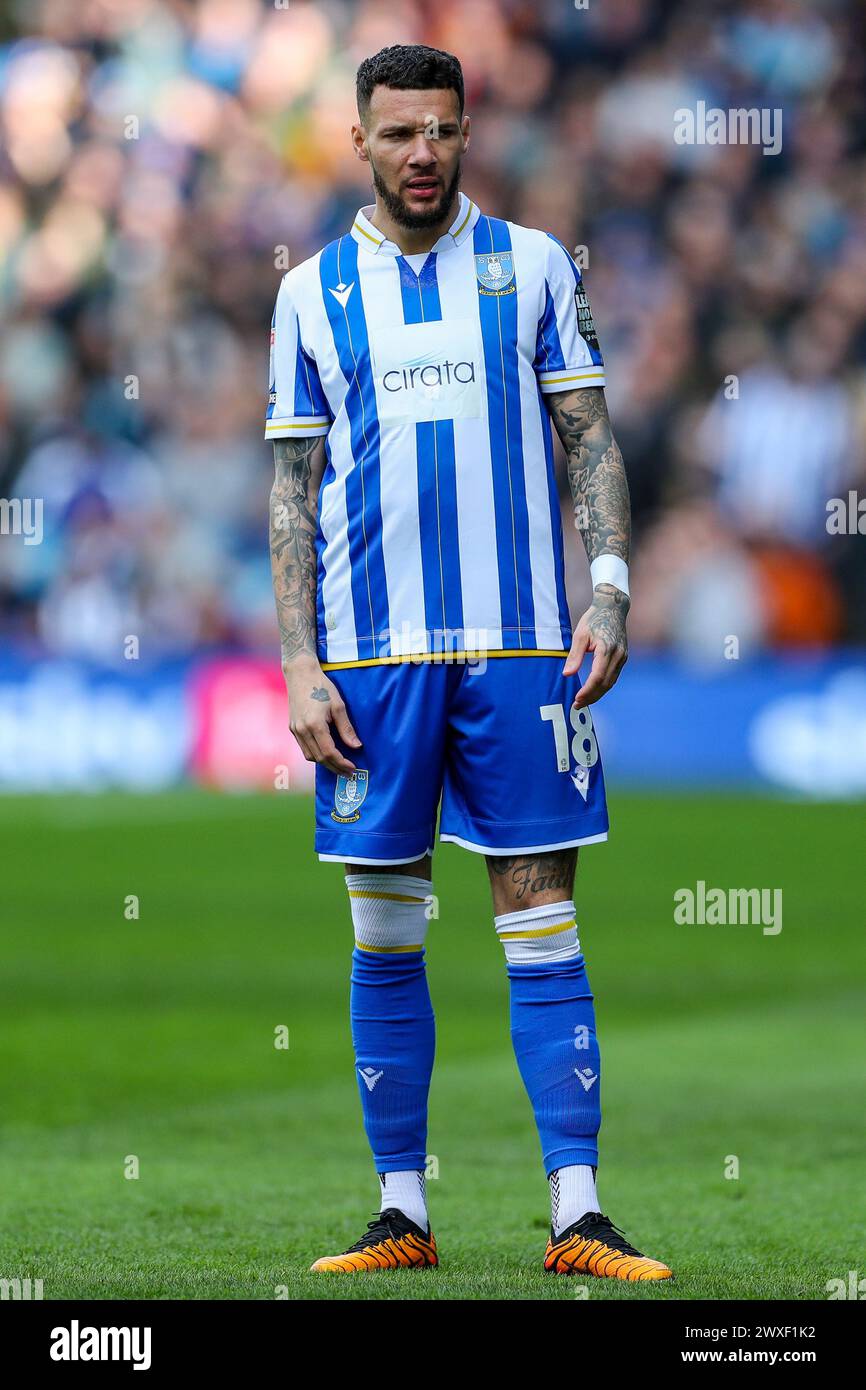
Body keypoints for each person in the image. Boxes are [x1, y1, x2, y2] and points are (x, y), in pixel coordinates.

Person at [267, 43, 672, 1282]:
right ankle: (402, 1208)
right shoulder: (312, 293)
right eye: (398, 133)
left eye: (440, 129)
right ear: (360, 141)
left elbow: (588, 436)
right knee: (384, 930)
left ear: (464, 132)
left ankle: (577, 1213)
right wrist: (296, 657)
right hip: (374, 657)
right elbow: (291, 486)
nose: (422, 153)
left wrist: (605, 588)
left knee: (538, 918)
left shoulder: (536, 267)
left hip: (518, 651)